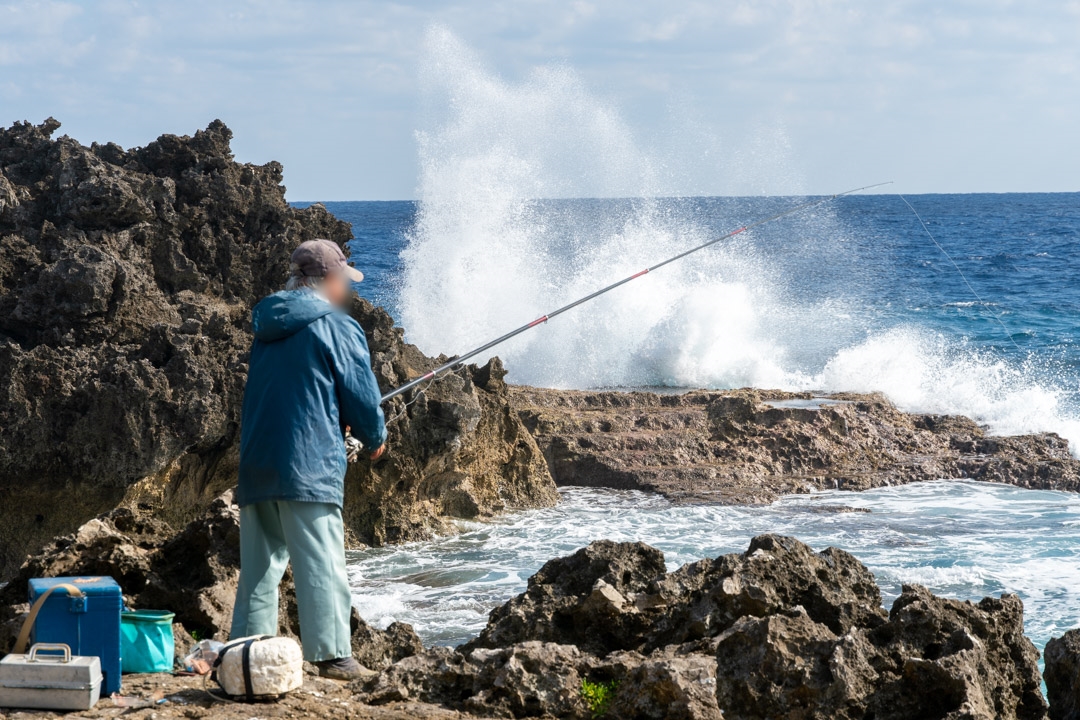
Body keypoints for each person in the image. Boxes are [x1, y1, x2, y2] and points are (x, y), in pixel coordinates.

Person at [230, 238, 388, 681]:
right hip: (308, 464)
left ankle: (245, 655)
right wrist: (374, 435)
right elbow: (361, 396)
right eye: (344, 281)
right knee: (321, 560)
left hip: (259, 460)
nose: (348, 291)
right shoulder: (338, 326)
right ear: (329, 280)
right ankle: (333, 655)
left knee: (260, 568)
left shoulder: (267, 324)